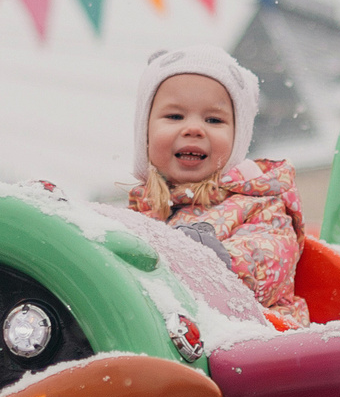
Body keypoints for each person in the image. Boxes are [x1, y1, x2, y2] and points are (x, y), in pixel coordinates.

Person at [124, 47, 310, 326]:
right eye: (175, 116)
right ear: (146, 134)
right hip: (165, 334)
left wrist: (210, 259)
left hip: (250, 336)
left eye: (213, 120)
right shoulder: (139, 214)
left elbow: (267, 261)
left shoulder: (260, 203)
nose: (194, 129)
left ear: (237, 138)